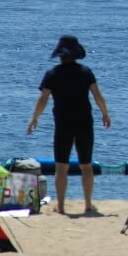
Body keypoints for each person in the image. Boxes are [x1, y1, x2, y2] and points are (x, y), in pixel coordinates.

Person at [26, 35, 111, 215]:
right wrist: (105, 113)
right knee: (86, 165)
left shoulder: (53, 74)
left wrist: (35, 118)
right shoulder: (86, 72)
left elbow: (43, 99)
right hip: (84, 122)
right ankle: (88, 204)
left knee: (61, 167)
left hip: (63, 124)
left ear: (60, 54)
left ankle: (62, 207)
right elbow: (97, 95)